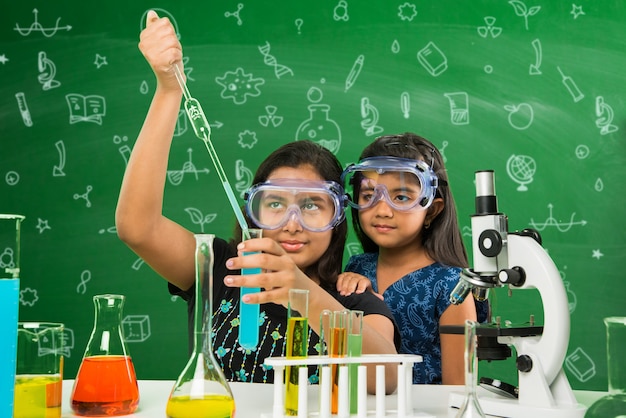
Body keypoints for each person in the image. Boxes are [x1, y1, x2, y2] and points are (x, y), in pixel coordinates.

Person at [115, 10, 400, 393]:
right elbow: (136, 226)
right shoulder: (219, 267)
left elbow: (384, 380)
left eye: (313, 205)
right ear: (252, 209)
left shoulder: (352, 296)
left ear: (337, 216)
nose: (292, 223)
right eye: (275, 204)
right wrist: (169, 90)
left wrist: (303, 292)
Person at [336, 133, 489, 385]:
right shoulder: (358, 266)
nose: (382, 210)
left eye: (402, 197)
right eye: (368, 195)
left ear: (432, 210)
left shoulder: (453, 286)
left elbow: (459, 390)